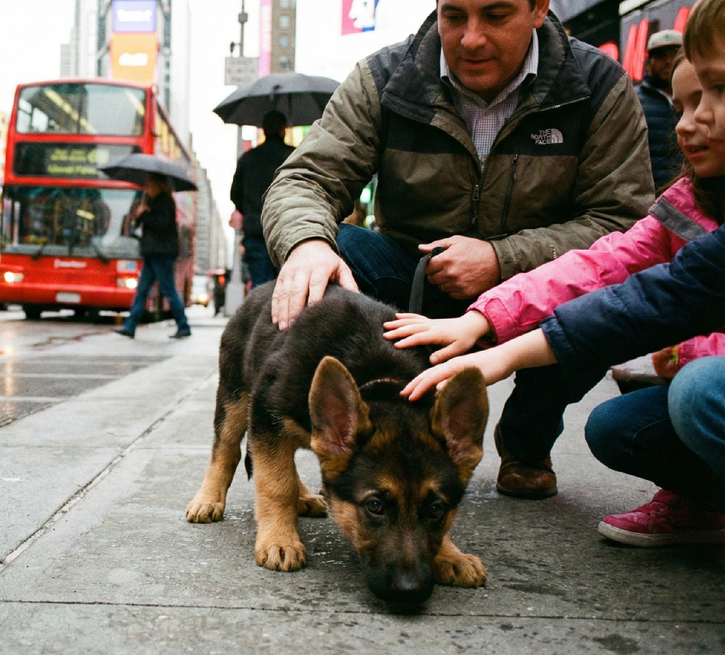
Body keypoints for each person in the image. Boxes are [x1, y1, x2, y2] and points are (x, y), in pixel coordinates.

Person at [401, 0, 725, 546]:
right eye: (683, 102)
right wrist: (482, 321)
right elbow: (600, 266)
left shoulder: (597, 80)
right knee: (616, 427)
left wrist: (499, 345)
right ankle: (705, 500)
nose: (690, 123)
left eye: (716, 91)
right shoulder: (687, 202)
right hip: (512, 294)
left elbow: (644, 298)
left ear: (537, 11)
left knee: (699, 391)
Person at [262, 0, 654, 331]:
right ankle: (379, 405)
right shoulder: (383, 78)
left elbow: (621, 223)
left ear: (539, 8)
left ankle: (528, 423)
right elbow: (305, 178)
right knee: (334, 253)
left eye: (496, 16)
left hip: (541, 286)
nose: (471, 39)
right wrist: (307, 244)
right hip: (415, 279)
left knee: (601, 293)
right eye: (453, 16)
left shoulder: (598, 84)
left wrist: (501, 259)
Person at [114, 173, 191, 339]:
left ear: (158, 186)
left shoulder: (165, 202)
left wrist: (146, 214)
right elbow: (137, 226)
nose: (147, 189)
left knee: (168, 289)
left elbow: (161, 225)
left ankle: (183, 325)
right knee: (141, 291)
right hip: (151, 252)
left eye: (150, 186)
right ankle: (130, 327)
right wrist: (139, 214)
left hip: (161, 253)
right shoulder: (150, 202)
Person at [230, 110, 296, 287]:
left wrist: (250, 211)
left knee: (260, 287)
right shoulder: (294, 156)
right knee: (288, 286)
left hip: (256, 230)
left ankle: (261, 315)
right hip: (287, 229)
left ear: (264, 130)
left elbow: (235, 194)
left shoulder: (248, 158)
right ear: (284, 129)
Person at [637, 30, 684, 190]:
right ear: (648, 63)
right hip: (653, 200)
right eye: (661, 56)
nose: (669, 61)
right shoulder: (633, 101)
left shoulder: (700, 96)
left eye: (675, 54)